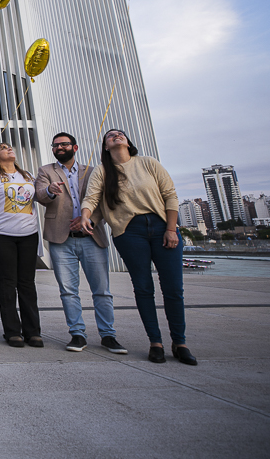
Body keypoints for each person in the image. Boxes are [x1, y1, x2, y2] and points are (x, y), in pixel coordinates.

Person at [81, 129, 195, 366]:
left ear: (127, 142)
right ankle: (156, 342)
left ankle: (180, 342)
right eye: (110, 136)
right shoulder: (103, 171)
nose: (115, 136)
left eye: (119, 134)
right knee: (143, 288)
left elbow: (170, 195)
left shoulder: (148, 163)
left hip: (162, 227)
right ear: (105, 146)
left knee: (174, 289)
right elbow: (91, 198)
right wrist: (85, 216)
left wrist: (172, 229)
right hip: (129, 233)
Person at [34, 133, 127, 354]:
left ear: (74, 147)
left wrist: (90, 220)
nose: (59, 147)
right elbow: (39, 195)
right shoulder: (46, 171)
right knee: (68, 290)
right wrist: (50, 191)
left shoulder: (93, 171)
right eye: (55, 145)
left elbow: (105, 202)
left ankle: (108, 335)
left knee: (102, 290)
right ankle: (77, 334)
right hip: (60, 238)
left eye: (64, 144)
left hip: (91, 236)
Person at [0, 143, 42, 348]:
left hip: (28, 234)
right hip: (0, 234)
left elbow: (38, 197)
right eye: (3, 148)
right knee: (7, 281)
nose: (9, 149)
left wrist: (49, 190)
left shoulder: (28, 175)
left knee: (27, 282)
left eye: (10, 147)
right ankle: (12, 331)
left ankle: (33, 332)